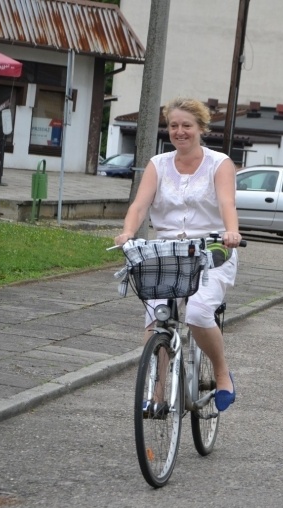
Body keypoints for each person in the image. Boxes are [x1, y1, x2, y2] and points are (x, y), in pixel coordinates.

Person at [114, 98, 241, 412]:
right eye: (173, 125)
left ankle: (222, 373)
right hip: (167, 254)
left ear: (201, 128)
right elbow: (139, 205)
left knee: (197, 313)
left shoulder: (220, 163)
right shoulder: (158, 164)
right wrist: (127, 232)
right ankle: (157, 393)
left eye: (186, 125)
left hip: (211, 251)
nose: (179, 131)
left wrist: (231, 231)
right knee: (156, 319)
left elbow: (227, 203)